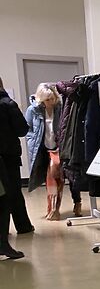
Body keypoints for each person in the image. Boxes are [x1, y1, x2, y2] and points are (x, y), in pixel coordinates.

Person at [0, 77, 33, 259]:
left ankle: (3, 235)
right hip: (8, 155)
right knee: (12, 193)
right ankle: (23, 226)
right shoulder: (8, 104)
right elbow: (22, 129)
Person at [25, 83, 62, 220]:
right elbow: (28, 129)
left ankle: (55, 208)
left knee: (56, 175)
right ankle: (52, 208)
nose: (51, 102)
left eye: (52, 98)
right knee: (49, 178)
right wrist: (31, 142)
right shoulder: (33, 110)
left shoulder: (60, 107)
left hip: (57, 147)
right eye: (47, 99)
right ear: (41, 99)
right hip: (41, 148)